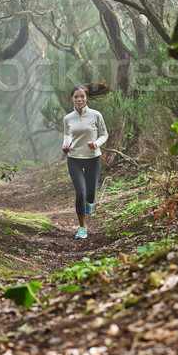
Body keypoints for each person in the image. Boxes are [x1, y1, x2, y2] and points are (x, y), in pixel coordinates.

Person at [62, 82, 109, 239]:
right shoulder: (68, 118)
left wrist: (96, 143)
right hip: (74, 158)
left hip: (93, 158)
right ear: (72, 99)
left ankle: (90, 202)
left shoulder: (96, 115)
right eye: (76, 97)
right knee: (80, 193)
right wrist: (66, 144)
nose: (79, 99)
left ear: (87, 98)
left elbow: (104, 134)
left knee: (90, 195)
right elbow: (67, 134)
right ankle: (82, 227)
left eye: (82, 96)